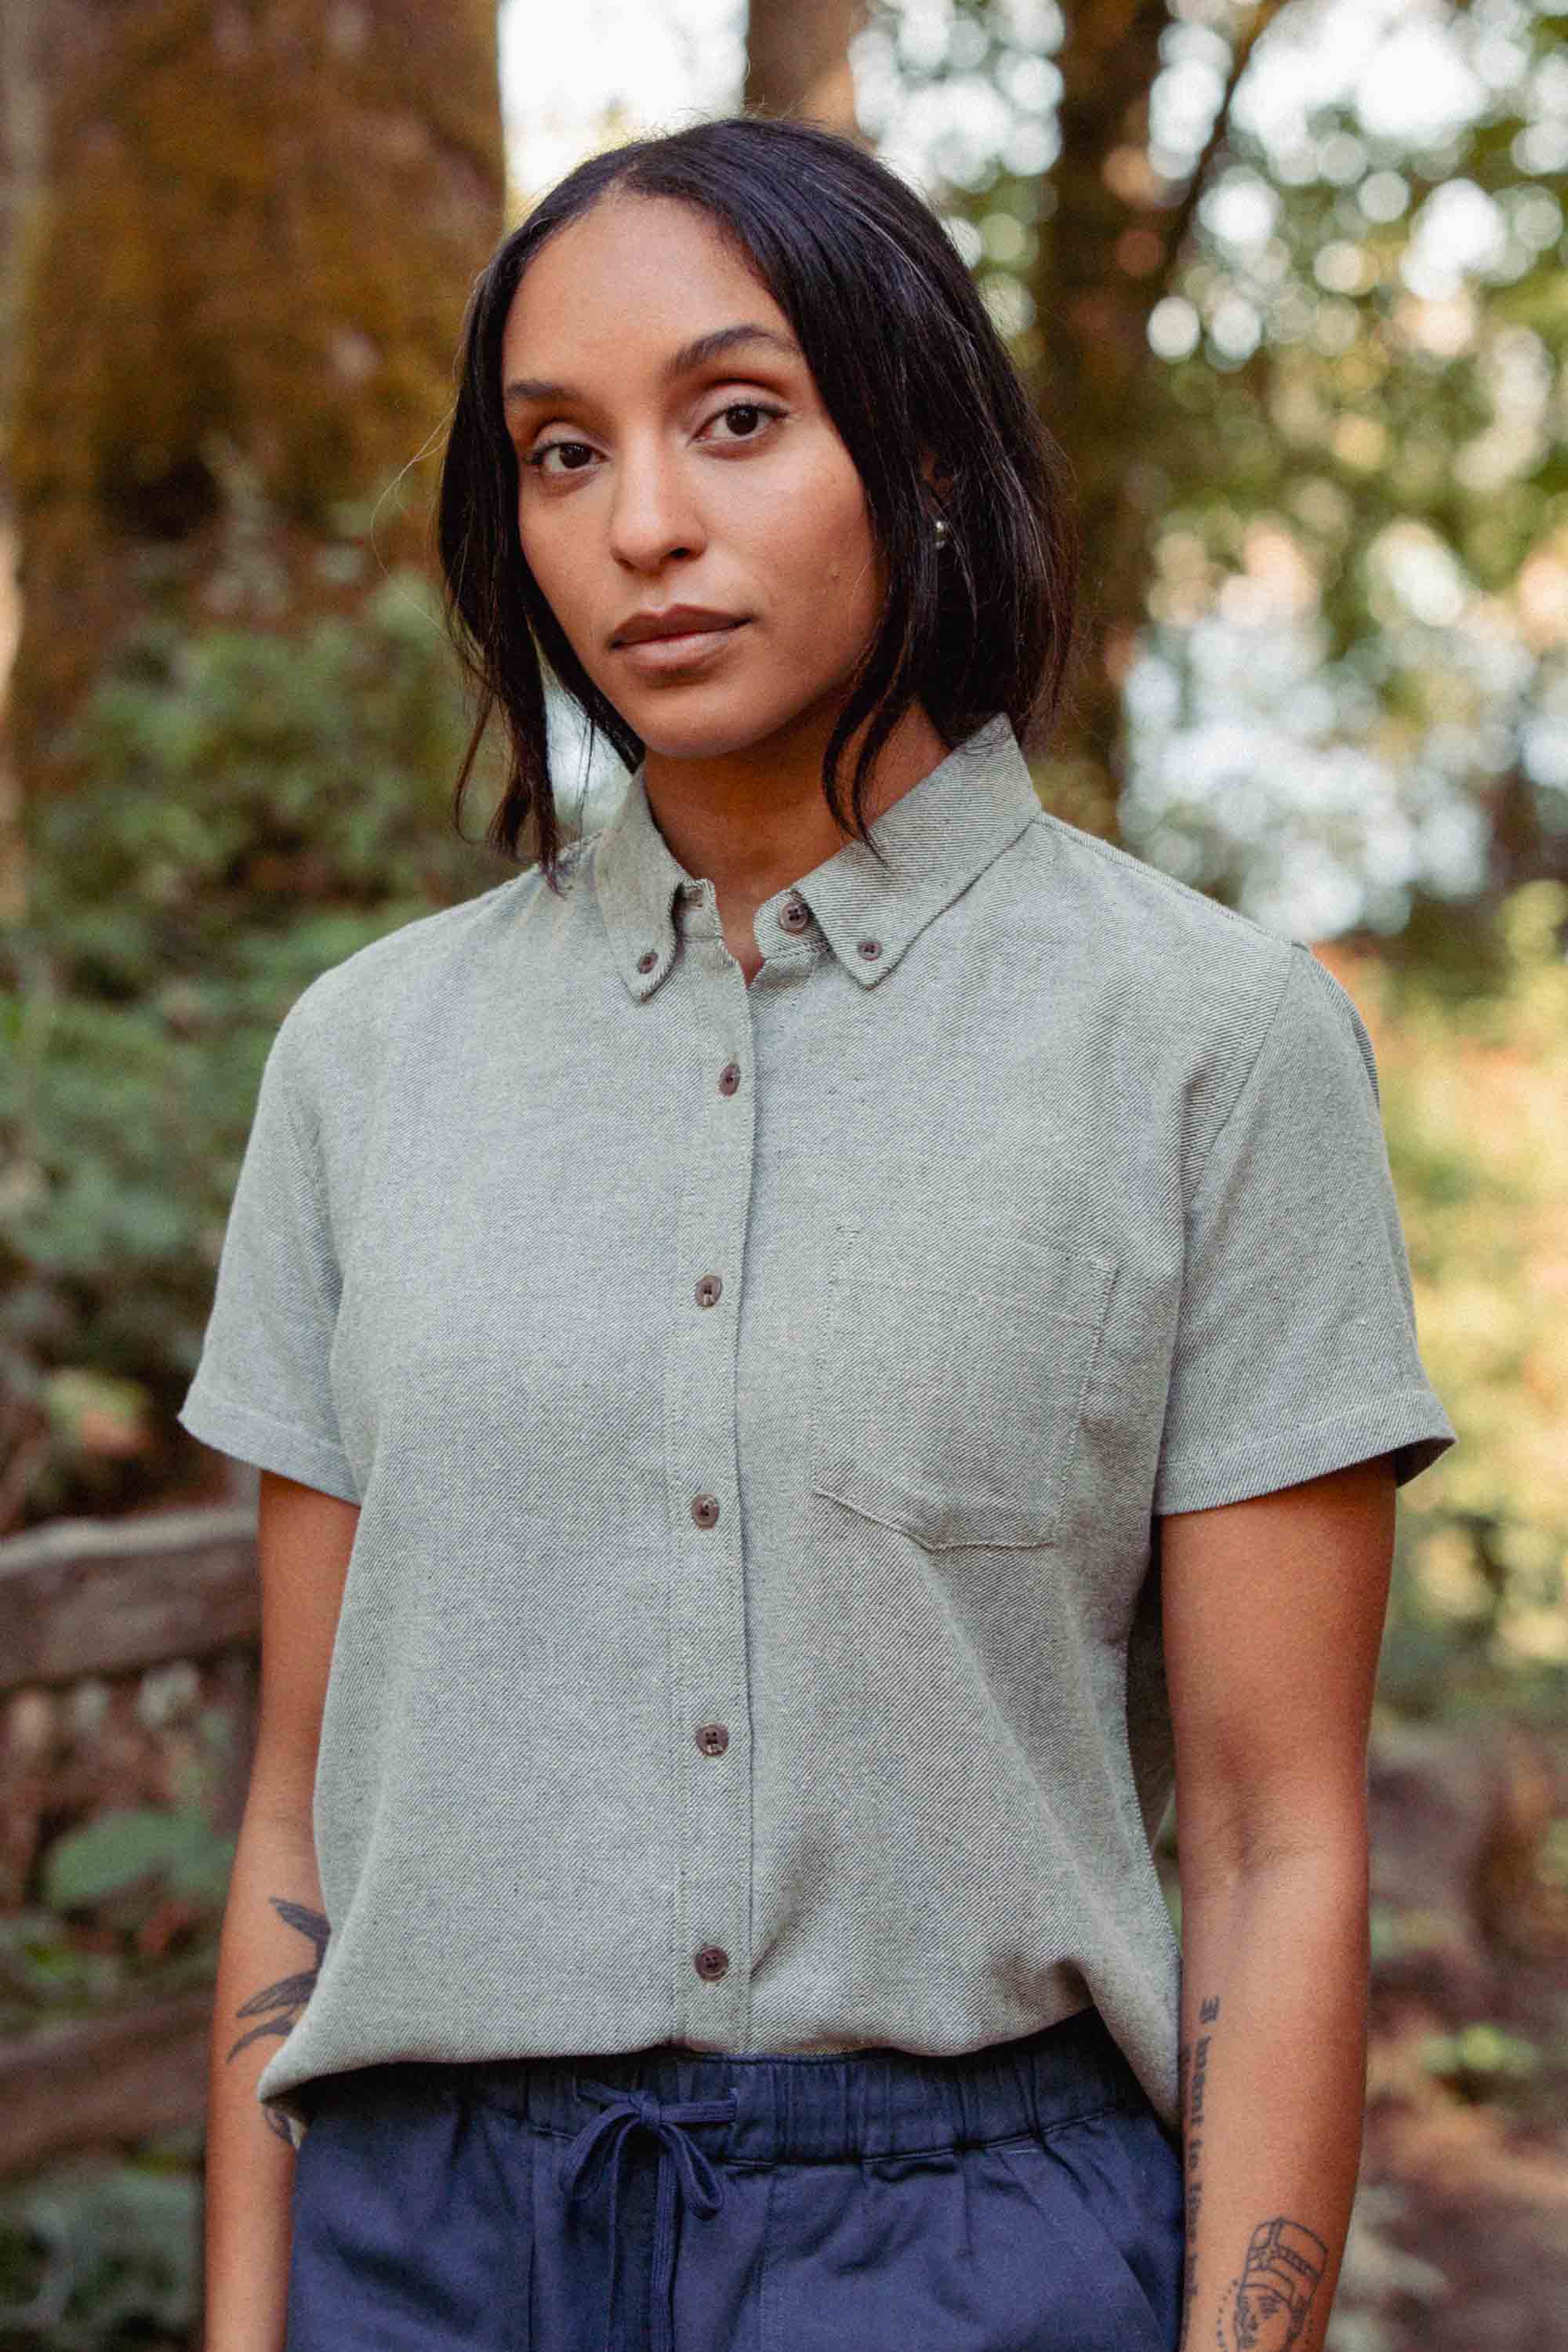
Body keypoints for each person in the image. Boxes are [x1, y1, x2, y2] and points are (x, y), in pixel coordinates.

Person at [183, 111, 1456, 2352]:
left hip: (968, 2253)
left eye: (737, 418)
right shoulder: (365, 1060)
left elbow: (1277, 1842)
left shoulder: (1210, 1044)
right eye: (559, 457)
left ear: (929, 455)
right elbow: (299, 1806)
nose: (643, 525)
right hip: (427, 2246)